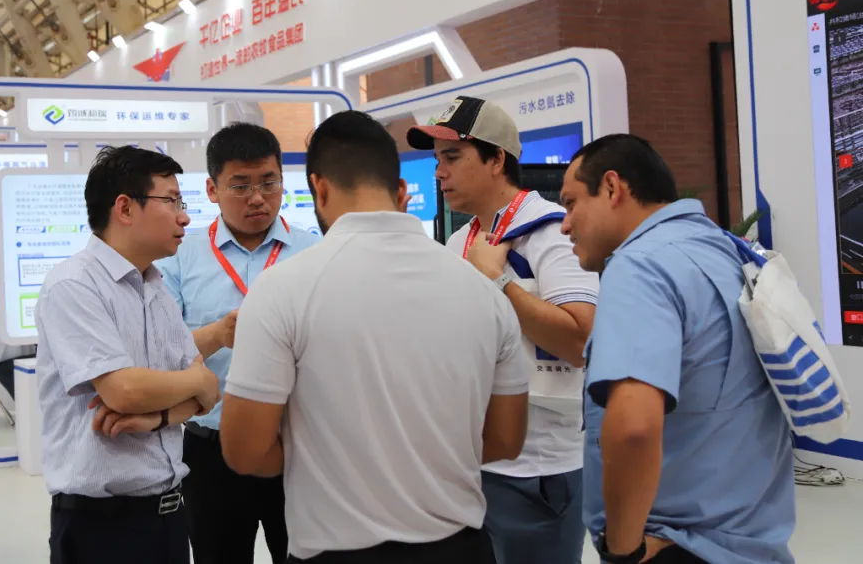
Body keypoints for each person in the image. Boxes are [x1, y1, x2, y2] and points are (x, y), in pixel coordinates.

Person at [221, 111, 530, 564]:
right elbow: (506, 440)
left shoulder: (281, 290)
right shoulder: (484, 291)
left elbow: (245, 452)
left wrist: (321, 456)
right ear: (402, 192)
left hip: (336, 552)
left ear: (319, 188)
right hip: (460, 548)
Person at [559, 134, 794, 564]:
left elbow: (633, 427)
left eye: (571, 203)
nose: (565, 224)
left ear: (612, 188)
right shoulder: (724, 250)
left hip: (677, 546)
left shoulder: (639, 266)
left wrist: (623, 549)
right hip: (750, 542)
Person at [406, 95, 598, 564]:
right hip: (470, 461)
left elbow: (581, 341)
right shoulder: (459, 241)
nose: (439, 173)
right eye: (437, 160)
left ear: (496, 159)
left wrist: (499, 280)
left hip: (538, 469)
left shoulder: (552, 234)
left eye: (453, 157)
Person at [35, 145, 221, 564]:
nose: (184, 217)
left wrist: (158, 416)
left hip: (168, 517)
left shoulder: (154, 288)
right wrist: (193, 380)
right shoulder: (74, 285)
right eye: (171, 201)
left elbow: (208, 396)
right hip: (101, 527)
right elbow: (124, 391)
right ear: (124, 208)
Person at [156, 123, 319, 564]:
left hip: (298, 445)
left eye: (269, 183)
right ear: (212, 189)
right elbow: (162, 352)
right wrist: (218, 334)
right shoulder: (178, 258)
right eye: (240, 186)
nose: (257, 198)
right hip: (211, 450)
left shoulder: (315, 252)